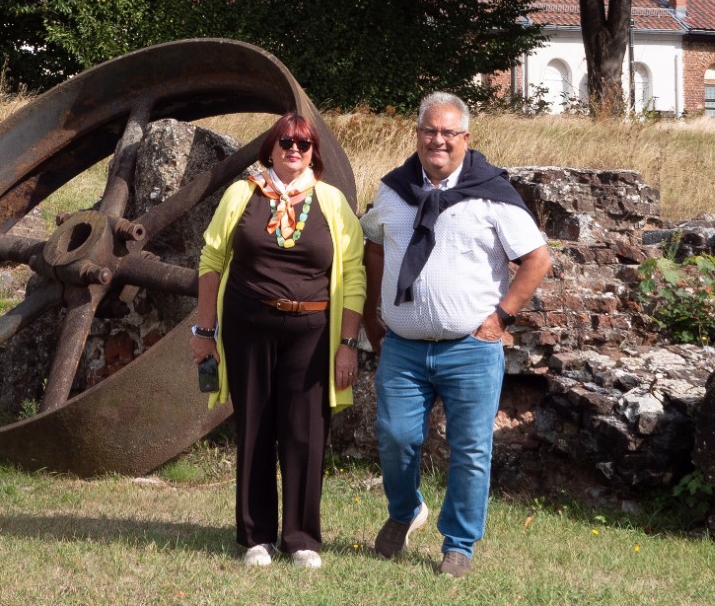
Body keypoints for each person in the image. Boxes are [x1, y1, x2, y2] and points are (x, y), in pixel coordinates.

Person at [361, 91, 553, 579]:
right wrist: (372, 316)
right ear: (417, 135)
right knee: (395, 437)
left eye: (448, 132)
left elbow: (537, 259)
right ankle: (405, 511)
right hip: (403, 347)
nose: (438, 140)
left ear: (466, 138)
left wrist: (500, 319)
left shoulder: (492, 194)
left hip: (470, 348)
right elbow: (373, 247)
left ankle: (459, 544)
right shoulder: (393, 190)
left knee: (470, 449)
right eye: (430, 131)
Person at [191, 112, 367, 569]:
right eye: (285, 141)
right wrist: (205, 332)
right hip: (247, 329)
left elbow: (354, 276)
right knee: (255, 426)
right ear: (270, 148)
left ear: (313, 153)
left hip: (312, 333)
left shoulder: (332, 202)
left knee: (305, 433)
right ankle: (256, 537)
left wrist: (347, 343)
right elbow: (211, 260)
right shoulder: (241, 194)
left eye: (303, 144)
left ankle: (301, 539)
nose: (294, 149)